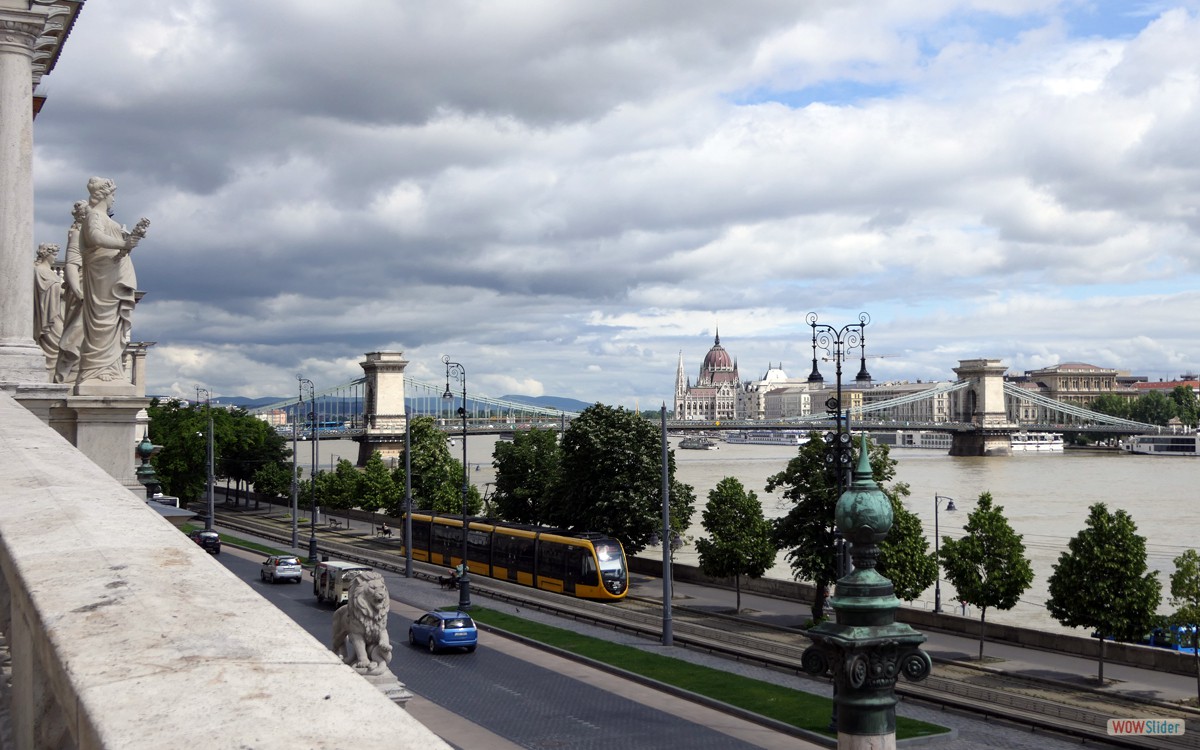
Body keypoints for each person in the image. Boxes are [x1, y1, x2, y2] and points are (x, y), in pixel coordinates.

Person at [76, 176, 147, 388]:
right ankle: (97, 369)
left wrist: (125, 245)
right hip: (102, 277)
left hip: (110, 273)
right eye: (113, 195)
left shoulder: (103, 217)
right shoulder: (94, 216)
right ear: (105, 195)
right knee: (103, 323)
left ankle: (110, 367)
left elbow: (112, 248)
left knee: (113, 324)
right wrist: (123, 243)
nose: (114, 200)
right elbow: (95, 238)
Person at [54, 201, 88, 384]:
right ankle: (66, 374)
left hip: (97, 288)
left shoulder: (93, 236)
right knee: (76, 333)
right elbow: (71, 266)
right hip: (83, 290)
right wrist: (78, 291)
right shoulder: (77, 234)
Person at [32, 243, 63, 376]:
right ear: (46, 254)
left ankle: (53, 373)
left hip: (56, 311)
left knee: (62, 342)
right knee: (59, 342)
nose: (55, 258)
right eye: (54, 255)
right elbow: (43, 289)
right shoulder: (39, 270)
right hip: (48, 314)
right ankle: (49, 373)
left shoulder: (49, 271)